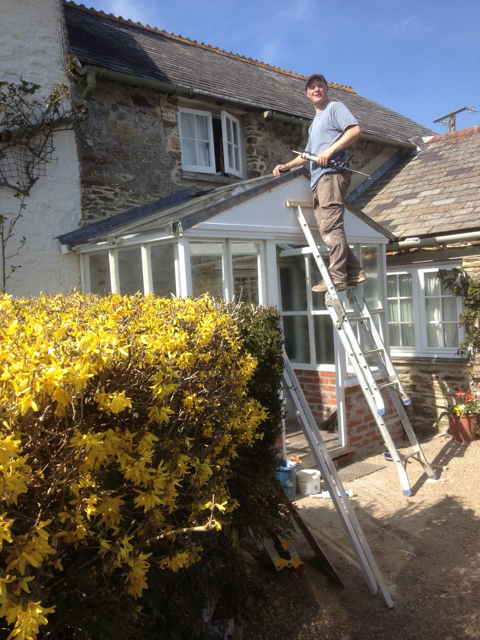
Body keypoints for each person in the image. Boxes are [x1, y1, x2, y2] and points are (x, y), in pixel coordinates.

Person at [273, 73, 366, 292]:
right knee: (327, 227)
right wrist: (287, 165)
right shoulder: (314, 124)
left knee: (330, 226)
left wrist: (331, 150)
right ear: (307, 93)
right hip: (318, 180)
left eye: (320, 86)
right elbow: (307, 155)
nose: (316, 90)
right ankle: (353, 271)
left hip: (331, 175)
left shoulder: (335, 108)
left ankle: (337, 277)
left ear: (326, 89)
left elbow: (355, 130)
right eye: (312, 87)